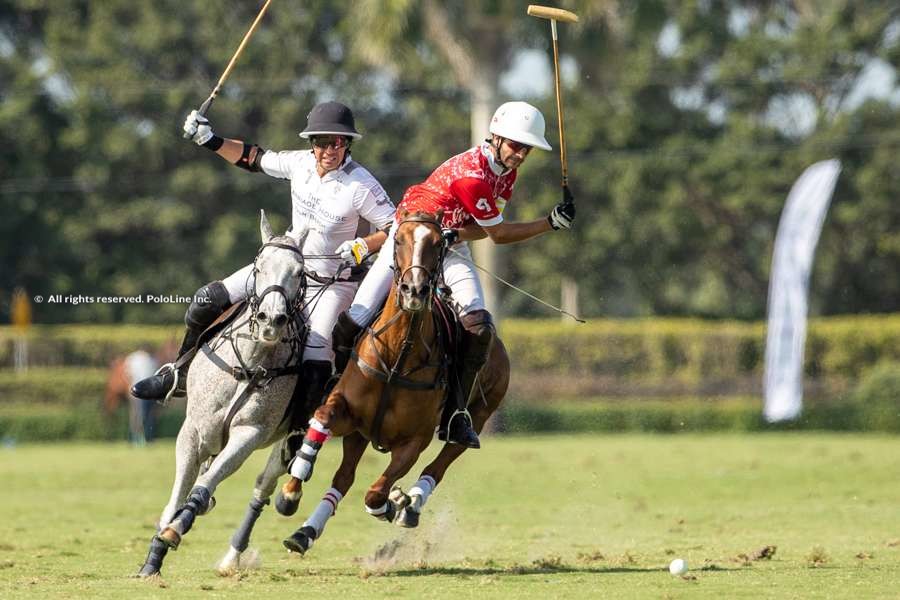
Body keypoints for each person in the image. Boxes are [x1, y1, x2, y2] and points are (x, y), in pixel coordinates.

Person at [132, 102, 396, 431]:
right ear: (311, 143)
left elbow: (396, 226)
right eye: (322, 142)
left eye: (338, 142)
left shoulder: (361, 186)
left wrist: (363, 245)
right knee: (207, 298)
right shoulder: (299, 164)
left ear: (348, 144)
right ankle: (178, 374)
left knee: (316, 354)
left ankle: (299, 431)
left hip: (332, 281)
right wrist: (209, 139)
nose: (329, 149)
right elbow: (254, 158)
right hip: (285, 267)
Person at [331, 101, 576, 449]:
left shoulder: (507, 172)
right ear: (496, 138)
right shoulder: (471, 176)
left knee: (478, 325)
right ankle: (335, 391)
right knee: (355, 318)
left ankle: (455, 414)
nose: (521, 154)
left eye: (527, 149)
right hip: (410, 238)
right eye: (516, 145)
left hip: (449, 242)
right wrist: (549, 223)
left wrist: (456, 236)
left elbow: (481, 228)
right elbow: (500, 235)